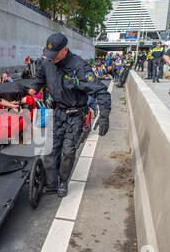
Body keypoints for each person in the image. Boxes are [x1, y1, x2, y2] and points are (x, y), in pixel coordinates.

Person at [29, 32, 111, 198]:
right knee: (51, 150)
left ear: (64, 50)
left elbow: (100, 91)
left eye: (55, 55)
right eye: (49, 55)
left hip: (75, 115)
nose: (51, 58)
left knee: (67, 151)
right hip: (57, 112)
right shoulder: (47, 63)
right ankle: (51, 183)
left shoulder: (79, 66)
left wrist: (104, 115)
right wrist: (29, 92)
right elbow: (38, 81)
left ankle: (62, 181)